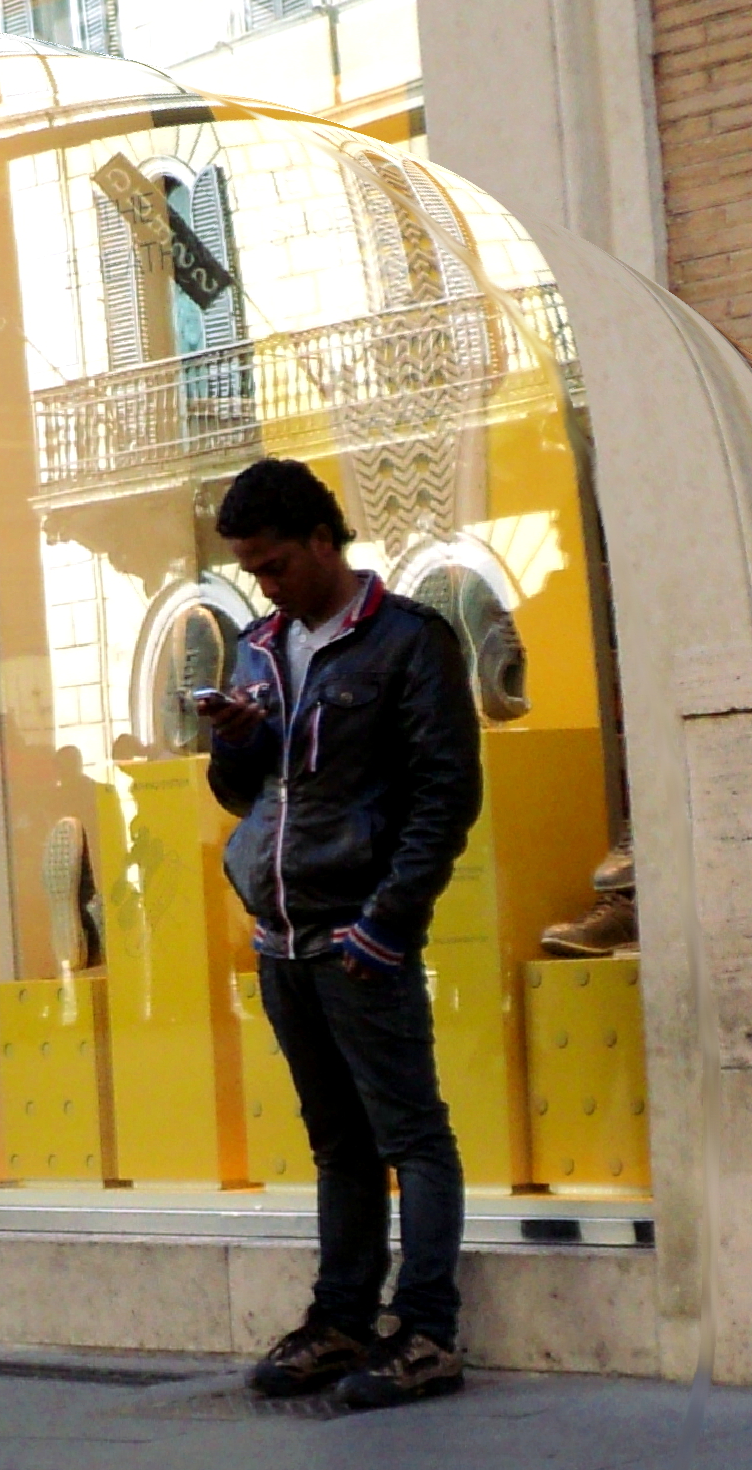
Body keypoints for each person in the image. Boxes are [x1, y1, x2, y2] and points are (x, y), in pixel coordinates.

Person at [200, 458, 479, 1407]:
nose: (262, 584)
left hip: (358, 934)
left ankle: (429, 1333)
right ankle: (341, 1319)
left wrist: (386, 926)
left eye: (273, 564)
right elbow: (244, 796)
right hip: (280, 935)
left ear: (324, 540)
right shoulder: (254, 647)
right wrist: (235, 739)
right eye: (249, 569)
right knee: (335, 1142)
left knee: (411, 1135)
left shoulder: (409, 643)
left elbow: (445, 799)